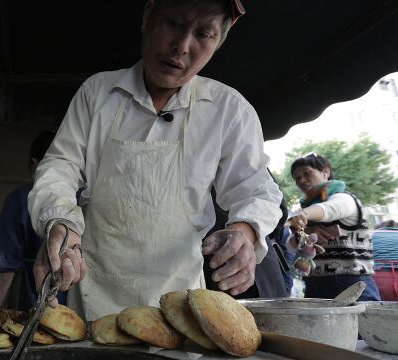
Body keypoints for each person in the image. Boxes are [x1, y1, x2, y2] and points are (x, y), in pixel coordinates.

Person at [27, 0, 284, 320]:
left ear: (219, 41)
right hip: (95, 293)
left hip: (180, 300)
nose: (181, 46)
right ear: (148, 15)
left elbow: (256, 190)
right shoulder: (98, 92)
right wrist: (60, 221)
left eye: (204, 34)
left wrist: (246, 232)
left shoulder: (228, 109)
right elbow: (60, 166)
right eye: (174, 23)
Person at [0, 130, 68, 313]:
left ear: (34, 164)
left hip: (35, 312)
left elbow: (3, 263)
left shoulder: (21, 199)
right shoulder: (87, 200)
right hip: (84, 315)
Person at [286, 153, 380, 301]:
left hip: (350, 282)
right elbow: (290, 246)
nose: (302, 180)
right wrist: (304, 231)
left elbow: (329, 210)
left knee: (362, 323)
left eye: (307, 173)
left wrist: (302, 215)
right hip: (314, 284)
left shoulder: (345, 199)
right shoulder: (306, 213)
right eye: (297, 178)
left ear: (325, 172)